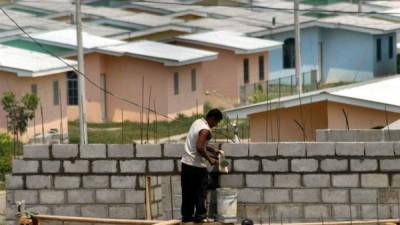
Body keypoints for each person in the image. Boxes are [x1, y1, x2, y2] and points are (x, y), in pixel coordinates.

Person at [180, 108, 223, 223]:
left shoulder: (197, 122)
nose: (216, 125)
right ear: (212, 119)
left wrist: (212, 150)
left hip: (186, 163)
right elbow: (199, 148)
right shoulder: (205, 130)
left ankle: (187, 216)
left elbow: (200, 143)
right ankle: (200, 216)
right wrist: (210, 160)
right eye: (217, 122)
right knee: (200, 191)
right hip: (196, 166)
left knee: (187, 192)